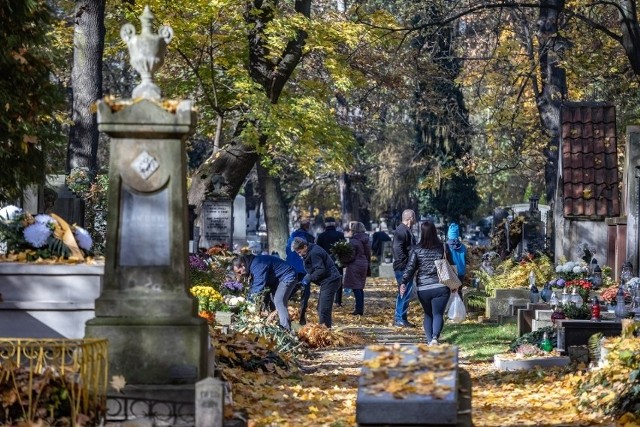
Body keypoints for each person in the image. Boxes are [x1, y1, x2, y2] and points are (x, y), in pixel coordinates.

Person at [399, 221, 453, 345]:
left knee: (428, 314)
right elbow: (450, 264)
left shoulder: (416, 249)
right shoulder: (442, 247)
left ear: (422, 233)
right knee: (438, 314)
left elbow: (410, 268)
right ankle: (435, 338)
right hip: (441, 285)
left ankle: (429, 341)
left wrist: (403, 283)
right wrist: (454, 284)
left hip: (424, 288)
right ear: (434, 231)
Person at [232, 253, 297, 330]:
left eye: (239, 272)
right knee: (271, 300)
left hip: (288, 276)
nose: (240, 275)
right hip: (277, 280)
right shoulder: (250, 265)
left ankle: (286, 329)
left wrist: (248, 302)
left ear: (243, 265)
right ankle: (276, 325)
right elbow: (254, 285)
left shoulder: (258, 265)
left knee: (279, 300)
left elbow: (258, 286)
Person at [291, 236, 342, 328]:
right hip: (327, 281)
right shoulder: (310, 250)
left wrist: (309, 277)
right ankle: (324, 329)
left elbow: (320, 270)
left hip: (331, 280)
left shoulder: (314, 253)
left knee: (323, 310)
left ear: (305, 247)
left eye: (299, 252)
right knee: (320, 308)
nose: (299, 255)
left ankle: (325, 333)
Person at [285, 218, 315, 324]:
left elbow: (287, 250)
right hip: (304, 268)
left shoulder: (291, 237)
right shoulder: (309, 238)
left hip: (292, 267)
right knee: (305, 292)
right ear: (307, 226)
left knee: (290, 290)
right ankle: (302, 317)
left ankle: (280, 308)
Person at [392, 209, 417, 327]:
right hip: (403, 267)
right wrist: (407, 263)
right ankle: (399, 318)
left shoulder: (407, 230)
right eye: (415, 217)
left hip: (407, 266)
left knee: (406, 292)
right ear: (410, 218)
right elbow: (397, 249)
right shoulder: (401, 231)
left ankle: (402, 317)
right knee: (404, 291)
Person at [316, 216, 346, 306]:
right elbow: (344, 248)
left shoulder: (321, 236)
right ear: (334, 224)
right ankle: (338, 300)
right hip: (337, 260)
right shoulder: (340, 235)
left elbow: (318, 249)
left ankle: (326, 299)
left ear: (325, 225)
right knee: (339, 280)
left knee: (326, 281)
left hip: (325, 262)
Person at [343, 221, 371, 316]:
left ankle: (359, 309)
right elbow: (368, 253)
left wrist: (343, 261)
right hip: (363, 264)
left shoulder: (353, 241)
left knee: (356, 288)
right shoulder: (366, 239)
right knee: (360, 287)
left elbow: (350, 255)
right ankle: (360, 307)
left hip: (355, 265)